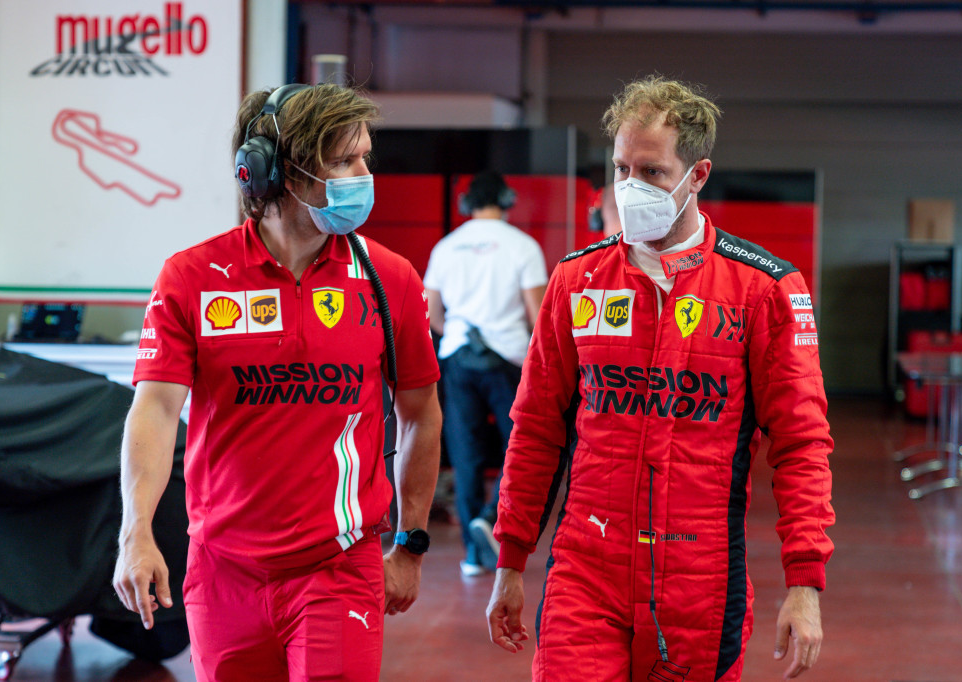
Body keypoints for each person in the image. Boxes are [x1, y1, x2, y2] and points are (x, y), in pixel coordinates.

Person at [485, 75, 835, 681]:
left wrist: (804, 583)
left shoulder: (766, 289)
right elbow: (536, 427)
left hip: (701, 583)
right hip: (584, 571)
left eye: (650, 173)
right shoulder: (577, 281)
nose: (628, 188)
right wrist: (510, 561)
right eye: (621, 169)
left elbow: (802, 443)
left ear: (698, 175)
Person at [113, 83, 442, 682]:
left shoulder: (388, 279)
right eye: (343, 161)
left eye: (365, 157)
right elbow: (156, 410)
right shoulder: (191, 278)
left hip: (338, 566)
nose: (363, 175)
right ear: (270, 171)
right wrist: (135, 531)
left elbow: (420, 411)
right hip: (220, 572)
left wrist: (411, 543)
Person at [423, 171, 548, 577]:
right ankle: (492, 519)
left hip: (458, 357)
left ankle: (473, 555)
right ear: (508, 200)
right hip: (508, 358)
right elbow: (538, 317)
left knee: (464, 452)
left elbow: (434, 314)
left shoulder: (446, 248)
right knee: (518, 446)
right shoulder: (523, 247)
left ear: (466, 205)